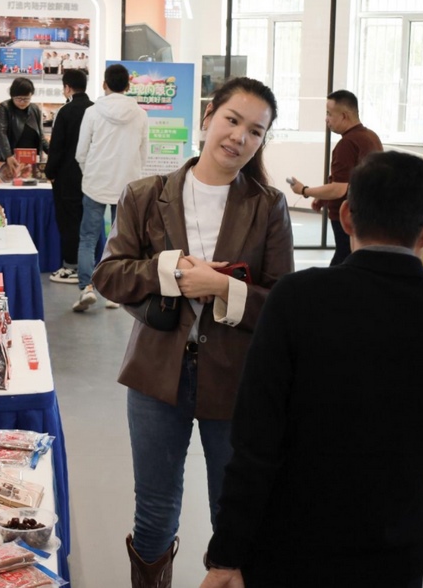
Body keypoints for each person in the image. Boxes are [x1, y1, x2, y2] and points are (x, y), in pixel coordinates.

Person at [201, 151, 423, 588]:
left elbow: (256, 440)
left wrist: (226, 554)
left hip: (289, 550)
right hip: (395, 556)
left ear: (347, 216)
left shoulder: (298, 298)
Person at [92, 77, 294, 587]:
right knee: (154, 508)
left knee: (232, 508)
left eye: (255, 131)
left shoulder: (267, 205)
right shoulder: (146, 194)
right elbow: (108, 275)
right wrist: (174, 271)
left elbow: (283, 303)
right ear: (208, 117)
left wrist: (223, 287)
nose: (239, 137)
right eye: (232, 120)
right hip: (156, 374)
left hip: (236, 379)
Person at [74, 63, 149, 311]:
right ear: (128, 85)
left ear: (104, 84)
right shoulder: (140, 114)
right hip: (127, 186)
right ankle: (115, 293)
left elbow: (81, 152)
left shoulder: (92, 112)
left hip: (95, 182)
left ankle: (87, 288)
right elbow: (144, 153)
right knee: (122, 241)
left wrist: (90, 172)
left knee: (88, 238)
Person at [290, 89, 382, 265]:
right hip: (366, 213)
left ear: (344, 116)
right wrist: (323, 197)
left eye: (329, 114)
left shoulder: (347, 144)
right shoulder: (371, 137)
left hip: (348, 214)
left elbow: (339, 189)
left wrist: (304, 190)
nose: (326, 119)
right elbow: (350, 180)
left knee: (343, 259)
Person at [44, 68, 94, 284]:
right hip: (92, 176)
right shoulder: (95, 109)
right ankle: (87, 268)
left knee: (69, 222)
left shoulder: (65, 111)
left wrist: (50, 172)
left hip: (67, 178)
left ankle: (71, 267)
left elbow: (57, 147)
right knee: (88, 223)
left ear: (67, 87)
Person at [0, 77, 49, 178]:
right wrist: (8, 155)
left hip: (29, 160)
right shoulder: (5, 107)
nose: (22, 102)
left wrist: (52, 153)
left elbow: (41, 137)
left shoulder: (35, 109)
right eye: (18, 99)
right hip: (9, 159)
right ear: (12, 96)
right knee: (7, 182)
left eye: (26, 99)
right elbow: (1, 132)